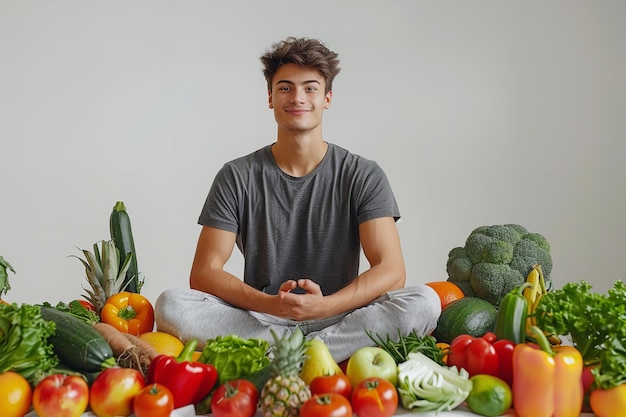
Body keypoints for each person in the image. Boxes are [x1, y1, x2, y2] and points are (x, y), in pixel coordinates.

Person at [154, 36, 441, 362]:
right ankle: (314, 356)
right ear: (270, 98)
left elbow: (392, 269)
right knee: (171, 304)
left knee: (425, 301)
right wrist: (273, 304)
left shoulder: (363, 174)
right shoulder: (237, 175)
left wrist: (325, 305)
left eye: (310, 88)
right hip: (262, 318)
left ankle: (286, 358)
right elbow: (204, 272)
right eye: (286, 87)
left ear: (328, 98)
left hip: (341, 315)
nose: (298, 97)